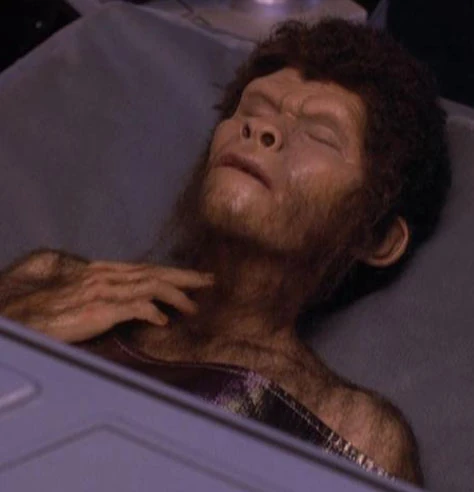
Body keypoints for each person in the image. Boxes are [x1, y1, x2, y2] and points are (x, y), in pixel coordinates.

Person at [0, 18, 451, 487]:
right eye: (252, 109)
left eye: (320, 135)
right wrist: (15, 334)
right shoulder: (44, 282)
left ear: (376, 238)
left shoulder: (352, 431)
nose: (261, 129)